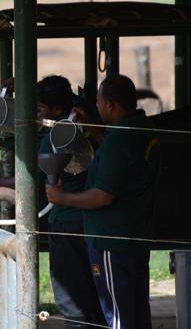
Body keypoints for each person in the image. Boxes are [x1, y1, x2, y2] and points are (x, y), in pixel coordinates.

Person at [0, 75, 106, 328]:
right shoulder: (87, 126)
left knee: (72, 298)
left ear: (58, 110)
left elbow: (28, 180)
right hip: (91, 222)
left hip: (65, 222)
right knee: (94, 293)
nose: (35, 114)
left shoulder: (53, 139)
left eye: (39, 109)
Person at [46, 74, 161, 329]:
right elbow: (120, 160)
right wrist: (97, 132)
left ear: (110, 105)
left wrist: (61, 197)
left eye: (98, 102)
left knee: (117, 314)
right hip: (135, 233)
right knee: (136, 309)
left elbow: (102, 196)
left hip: (112, 239)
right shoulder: (141, 129)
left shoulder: (120, 141)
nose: (95, 107)